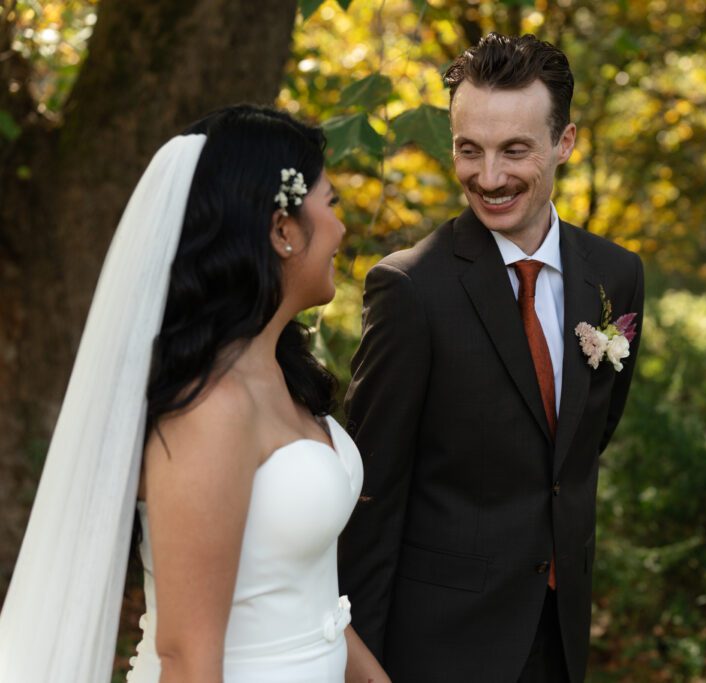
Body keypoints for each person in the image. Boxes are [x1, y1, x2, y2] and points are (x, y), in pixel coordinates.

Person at [0, 105, 388, 683]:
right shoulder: (210, 409)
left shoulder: (286, 373)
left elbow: (308, 600)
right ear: (282, 230)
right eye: (330, 203)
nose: (340, 227)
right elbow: (186, 657)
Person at [338, 33, 645, 682]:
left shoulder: (616, 276)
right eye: (468, 149)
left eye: (515, 150)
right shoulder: (411, 290)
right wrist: (358, 665)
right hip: (437, 647)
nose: (489, 176)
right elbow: (369, 497)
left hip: (559, 638)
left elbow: (581, 446)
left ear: (564, 144)